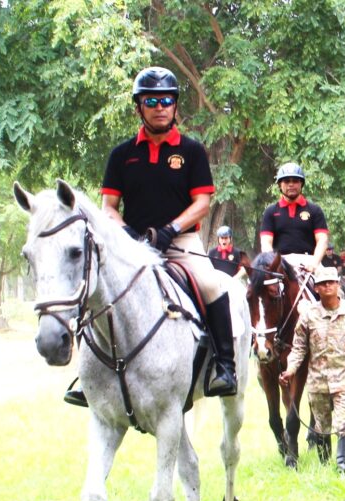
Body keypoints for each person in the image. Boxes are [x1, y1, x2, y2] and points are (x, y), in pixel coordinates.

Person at [73, 66, 238, 406]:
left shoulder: (191, 151)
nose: (160, 106)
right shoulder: (122, 154)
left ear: (175, 106)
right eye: (152, 100)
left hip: (181, 243)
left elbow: (202, 202)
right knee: (93, 286)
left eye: (167, 100)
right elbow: (108, 208)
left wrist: (170, 230)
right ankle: (83, 376)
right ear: (139, 106)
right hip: (131, 246)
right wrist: (129, 235)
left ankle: (225, 365)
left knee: (211, 284)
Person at [280, 267, 345, 475]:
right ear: (316, 288)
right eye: (323, 283)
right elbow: (298, 348)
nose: (327, 286)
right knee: (322, 427)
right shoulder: (308, 316)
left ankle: (343, 469)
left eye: (331, 282)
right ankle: (325, 464)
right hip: (318, 383)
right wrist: (290, 370)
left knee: (343, 424)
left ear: (337, 285)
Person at [259, 162, 329, 273]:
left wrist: (315, 263)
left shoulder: (315, 210)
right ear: (280, 185)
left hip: (310, 262)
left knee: (333, 288)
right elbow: (266, 242)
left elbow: (322, 240)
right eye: (287, 181)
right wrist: (273, 263)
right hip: (280, 263)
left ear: (301, 184)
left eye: (295, 181)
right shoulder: (270, 211)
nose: (291, 184)